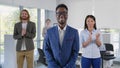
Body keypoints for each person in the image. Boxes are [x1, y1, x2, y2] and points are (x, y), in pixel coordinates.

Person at [43, 4, 79, 68]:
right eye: (59, 13)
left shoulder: (74, 32)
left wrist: (68, 66)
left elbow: (75, 52)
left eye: (64, 13)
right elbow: (46, 49)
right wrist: (54, 65)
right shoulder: (49, 32)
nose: (61, 15)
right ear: (56, 15)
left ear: (67, 15)